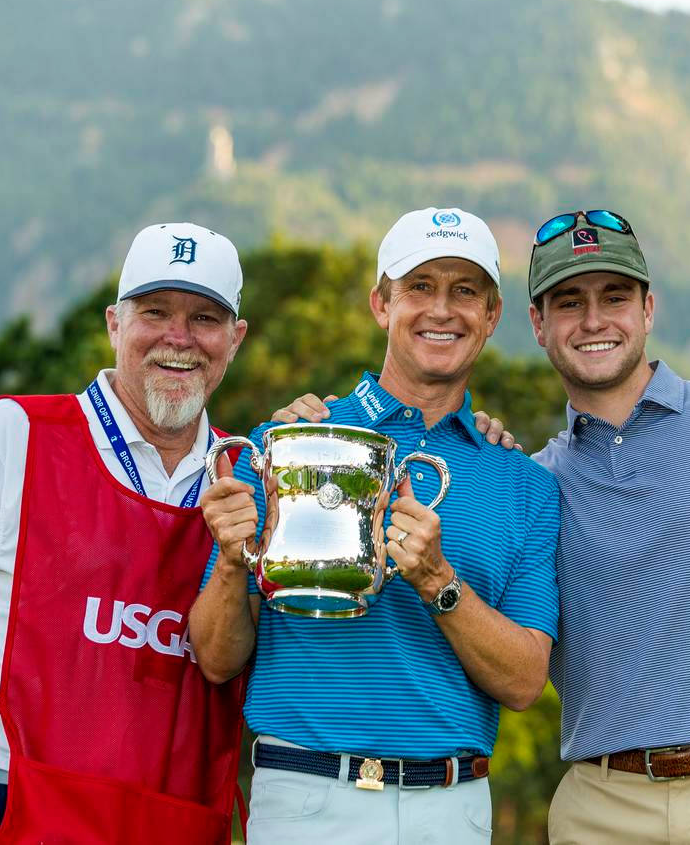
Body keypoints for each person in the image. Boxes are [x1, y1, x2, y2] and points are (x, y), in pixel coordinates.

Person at [280, 209, 690, 844]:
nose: (594, 321)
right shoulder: (535, 480)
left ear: (648, 309)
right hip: (601, 808)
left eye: (614, 298)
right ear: (537, 324)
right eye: (569, 302)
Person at [0, 223, 251, 845]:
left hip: (178, 817)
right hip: (13, 802)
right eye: (155, 312)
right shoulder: (13, 435)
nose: (179, 339)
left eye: (204, 318)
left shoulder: (249, 483)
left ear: (234, 341)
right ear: (114, 325)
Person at [190, 207, 559, 843]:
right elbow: (217, 659)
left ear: (491, 316)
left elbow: (525, 681)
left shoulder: (523, 483)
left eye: (464, 291)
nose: (441, 310)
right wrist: (230, 560)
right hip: (305, 797)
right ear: (381, 304)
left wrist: (439, 582)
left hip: (450, 807)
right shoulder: (292, 444)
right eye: (419, 287)